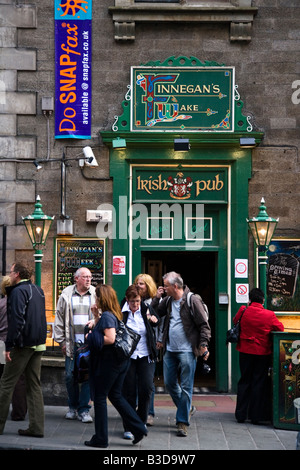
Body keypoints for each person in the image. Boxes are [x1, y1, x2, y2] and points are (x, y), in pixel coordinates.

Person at [84, 284, 147, 448]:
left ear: (101, 298)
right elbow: (104, 329)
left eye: (96, 296)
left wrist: (90, 338)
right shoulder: (113, 314)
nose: (95, 299)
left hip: (110, 363)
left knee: (99, 397)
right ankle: (139, 428)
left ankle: (101, 438)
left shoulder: (107, 316)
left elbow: (110, 338)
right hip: (120, 362)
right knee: (116, 396)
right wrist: (95, 316)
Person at [151, 271, 211, 437]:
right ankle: (188, 408)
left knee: (186, 387)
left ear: (175, 286)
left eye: (166, 285)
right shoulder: (168, 300)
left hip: (187, 351)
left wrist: (203, 344)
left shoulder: (193, 300)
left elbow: (204, 325)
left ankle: (182, 422)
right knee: (169, 383)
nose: (163, 288)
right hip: (170, 350)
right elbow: (154, 313)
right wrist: (156, 297)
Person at [0, 263, 46, 437]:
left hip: (23, 344)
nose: (9, 275)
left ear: (17, 274)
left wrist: (9, 345)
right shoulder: (38, 290)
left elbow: (17, 320)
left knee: (6, 383)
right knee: (34, 385)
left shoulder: (18, 291)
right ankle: (36, 428)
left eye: (11, 272)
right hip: (38, 343)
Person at [234, 287, 284, 424]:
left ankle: (240, 414)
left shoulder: (243, 310)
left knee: (244, 381)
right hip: (262, 352)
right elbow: (280, 328)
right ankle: (255, 416)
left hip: (245, 351)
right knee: (258, 383)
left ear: (250, 299)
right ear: (262, 300)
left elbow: (234, 321)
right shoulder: (269, 315)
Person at [54, 267, 96, 423]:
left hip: (89, 345)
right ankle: (72, 407)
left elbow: (102, 316)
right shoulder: (66, 294)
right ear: (76, 278)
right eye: (85, 277)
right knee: (70, 376)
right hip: (72, 344)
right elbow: (59, 318)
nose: (88, 279)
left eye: (90, 277)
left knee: (87, 377)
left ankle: (84, 410)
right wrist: (61, 342)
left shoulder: (95, 294)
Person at [121, 284, 159, 439]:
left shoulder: (146, 308)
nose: (135, 305)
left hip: (145, 355)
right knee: (128, 392)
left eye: (137, 301)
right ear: (127, 300)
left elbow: (156, 321)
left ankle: (141, 421)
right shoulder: (121, 312)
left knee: (146, 388)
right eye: (132, 302)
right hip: (128, 356)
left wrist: (153, 319)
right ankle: (129, 426)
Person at [0, 276, 27, 421]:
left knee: (4, 379)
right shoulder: (20, 302)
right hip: (16, 343)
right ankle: (19, 412)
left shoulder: (1, 303)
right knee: (18, 379)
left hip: (1, 343)